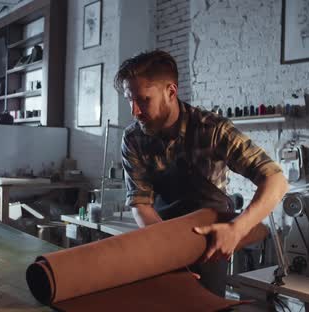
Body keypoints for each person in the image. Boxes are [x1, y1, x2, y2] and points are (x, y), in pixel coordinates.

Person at [116, 50, 288, 296]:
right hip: (161, 236)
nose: (135, 111)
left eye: (143, 100)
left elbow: (276, 180)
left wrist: (237, 229)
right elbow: (141, 203)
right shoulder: (134, 138)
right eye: (129, 100)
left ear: (171, 92)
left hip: (209, 243)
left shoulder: (212, 130)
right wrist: (168, 254)